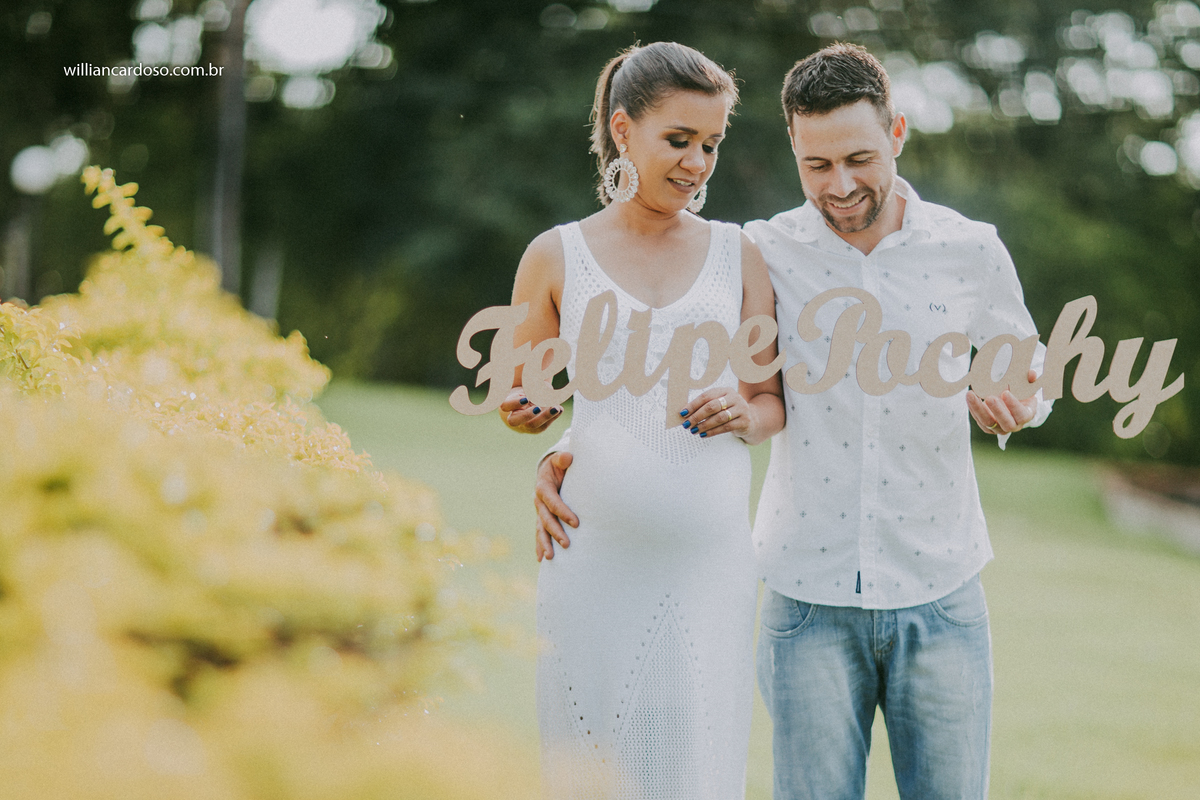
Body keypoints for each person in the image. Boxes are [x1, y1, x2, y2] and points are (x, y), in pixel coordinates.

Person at [534, 43, 1052, 800]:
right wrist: (571, 441)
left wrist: (1018, 403)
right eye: (817, 166)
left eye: (859, 159)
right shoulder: (761, 251)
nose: (839, 186)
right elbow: (665, 352)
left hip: (942, 591)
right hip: (806, 601)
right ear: (794, 153)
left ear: (898, 133)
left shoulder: (971, 250)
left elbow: (1029, 374)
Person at [499, 42, 784, 798]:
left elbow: (770, 402)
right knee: (591, 769)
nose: (698, 163)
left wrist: (745, 414)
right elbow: (523, 403)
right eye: (680, 141)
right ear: (624, 132)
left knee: (693, 767)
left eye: (713, 145)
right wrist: (534, 422)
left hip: (708, 566)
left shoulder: (739, 255)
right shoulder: (555, 256)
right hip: (591, 563)